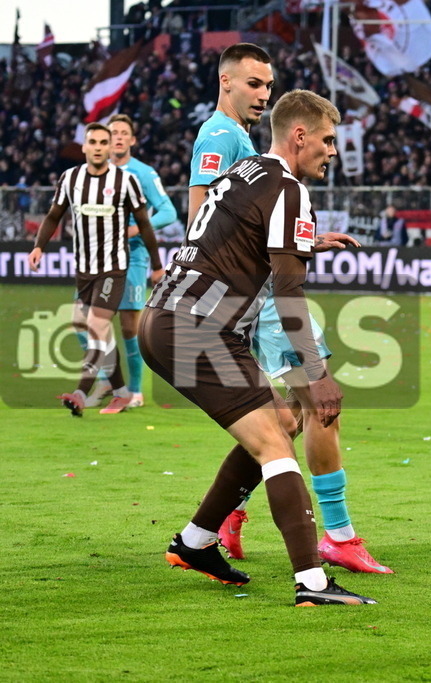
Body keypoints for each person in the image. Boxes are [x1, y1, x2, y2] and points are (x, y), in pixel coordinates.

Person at [141, 89, 375, 606]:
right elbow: (289, 294)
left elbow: (233, 234)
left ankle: (196, 541)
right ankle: (312, 584)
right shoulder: (289, 190)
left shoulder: (244, 173)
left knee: (283, 423)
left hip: (171, 317)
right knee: (275, 442)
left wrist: (306, 242)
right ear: (299, 135)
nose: (332, 151)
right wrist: (316, 372)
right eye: (327, 139)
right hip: (196, 328)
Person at [188, 43, 390, 573]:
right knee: (319, 405)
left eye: (268, 86)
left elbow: (242, 219)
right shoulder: (219, 135)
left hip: (243, 295)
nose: (263, 94)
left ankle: (221, 518)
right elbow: (203, 219)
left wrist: (302, 243)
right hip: (255, 299)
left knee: (283, 419)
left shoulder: (246, 143)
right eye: (253, 84)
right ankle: (337, 538)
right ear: (225, 81)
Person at [27, 122, 165, 416]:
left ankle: (80, 392)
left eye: (104, 142)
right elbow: (54, 215)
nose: (100, 147)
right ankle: (121, 392)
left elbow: (144, 224)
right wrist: (39, 245)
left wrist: (156, 265)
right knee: (84, 325)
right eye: (95, 142)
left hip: (114, 269)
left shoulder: (125, 181)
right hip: (84, 269)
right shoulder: (70, 179)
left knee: (97, 326)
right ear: (85, 147)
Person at [85, 113, 179, 410]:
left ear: (132, 139)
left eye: (125, 133)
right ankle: (106, 377)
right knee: (83, 319)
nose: (119, 137)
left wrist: (138, 227)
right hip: (100, 256)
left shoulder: (144, 173)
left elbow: (168, 212)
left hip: (133, 256)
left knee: (128, 326)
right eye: (114, 133)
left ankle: (135, 391)